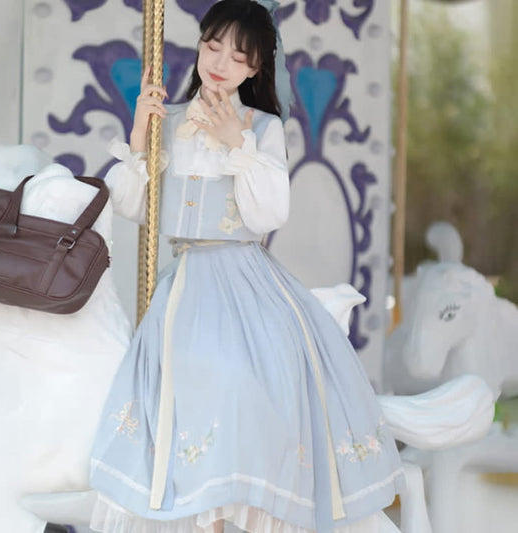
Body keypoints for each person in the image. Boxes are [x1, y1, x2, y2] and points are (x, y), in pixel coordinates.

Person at [89, 1, 404, 532]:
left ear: (256, 68)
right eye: (212, 47)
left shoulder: (263, 127)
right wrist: (141, 133)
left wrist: (238, 143)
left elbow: (269, 214)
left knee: (247, 383)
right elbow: (131, 205)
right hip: (187, 281)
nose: (220, 64)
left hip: (245, 278)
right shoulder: (169, 122)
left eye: (238, 57)